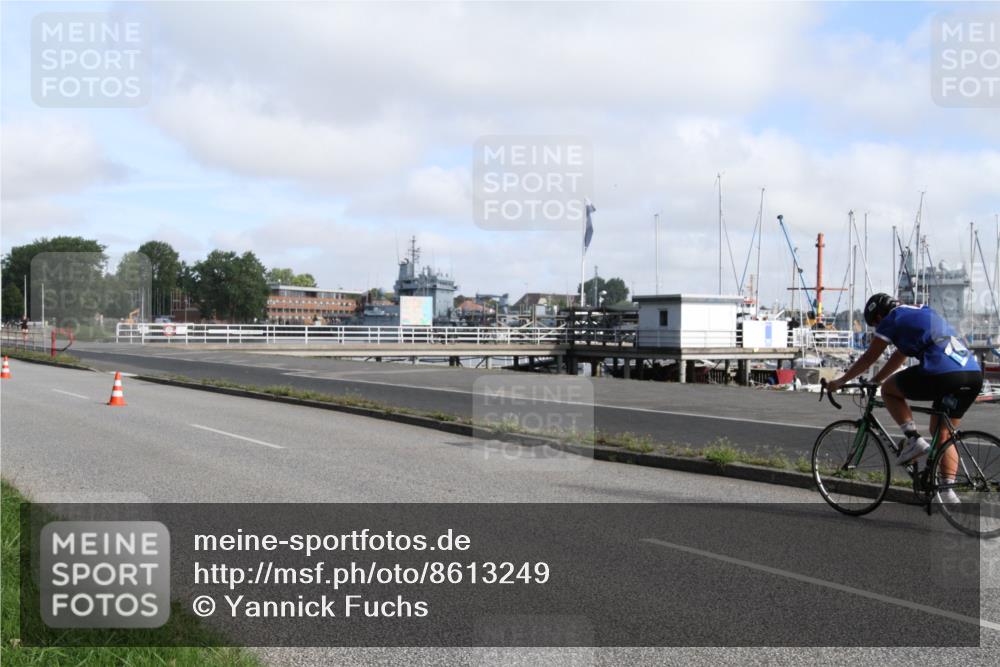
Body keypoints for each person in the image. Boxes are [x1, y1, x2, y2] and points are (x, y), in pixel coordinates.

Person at [827, 293, 982, 503]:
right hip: (971, 374)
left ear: (878, 317)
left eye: (875, 325)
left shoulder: (891, 319)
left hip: (943, 373)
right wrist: (876, 379)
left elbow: (869, 357)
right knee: (942, 433)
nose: (877, 329)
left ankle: (912, 439)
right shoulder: (921, 311)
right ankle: (948, 492)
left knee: (889, 390)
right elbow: (900, 355)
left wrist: (840, 381)